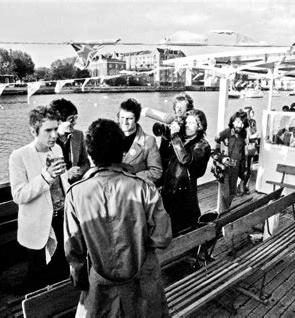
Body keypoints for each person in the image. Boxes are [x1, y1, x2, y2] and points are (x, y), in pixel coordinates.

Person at [64, 119, 172, 317]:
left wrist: (82, 281)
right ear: (122, 151)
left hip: (100, 291)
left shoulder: (75, 194)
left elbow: (74, 251)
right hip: (143, 289)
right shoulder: (145, 187)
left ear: (89, 153)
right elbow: (162, 238)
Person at [9, 106, 68, 291]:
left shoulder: (57, 149)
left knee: (61, 270)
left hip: (62, 218)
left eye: (56, 129)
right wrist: (46, 177)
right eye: (48, 130)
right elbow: (19, 195)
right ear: (33, 131)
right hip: (38, 222)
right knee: (37, 275)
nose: (54, 135)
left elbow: (63, 185)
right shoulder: (19, 156)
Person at [159, 109, 211, 236]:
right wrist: (166, 139)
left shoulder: (202, 145)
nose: (187, 125)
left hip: (186, 193)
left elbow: (185, 159)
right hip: (170, 190)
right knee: (168, 226)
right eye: (186, 122)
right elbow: (163, 158)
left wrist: (175, 137)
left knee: (186, 226)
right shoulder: (181, 140)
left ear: (200, 127)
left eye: (192, 123)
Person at [117, 98, 162, 183]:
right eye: (122, 117)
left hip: (133, 190)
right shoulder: (107, 137)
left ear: (136, 119)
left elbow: (156, 171)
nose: (124, 122)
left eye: (129, 118)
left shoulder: (149, 141)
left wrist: (133, 177)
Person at [213, 110, 248, 213]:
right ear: (232, 122)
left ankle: (224, 212)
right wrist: (222, 158)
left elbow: (242, 155)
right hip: (224, 169)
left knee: (232, 192)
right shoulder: (225, 133)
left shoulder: (243, 135)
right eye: (237, 122)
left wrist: (243, 172)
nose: (239, 125)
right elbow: (214, 151)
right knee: (225, 193)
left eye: (242, 123)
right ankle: (222, 215)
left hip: (235, 168)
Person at [48, 99, 90, 184]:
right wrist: (67, 175)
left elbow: (85, 162)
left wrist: (79, 172)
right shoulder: (46, 141)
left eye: (75, 118)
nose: (75, 122)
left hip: (75, 184)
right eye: (71, 119)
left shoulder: (79, 135)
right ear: (58, 121)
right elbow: (45, 173)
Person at [238, 106, 259, 195]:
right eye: (250, 111)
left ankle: (245, 186)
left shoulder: (253, 122)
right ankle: (240, 186)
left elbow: (254, 132)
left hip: (251, 147)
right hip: (243, 148)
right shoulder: (241, 123)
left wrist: (254, 136)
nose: (252, 113)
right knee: (244, 168)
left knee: (249, 168)